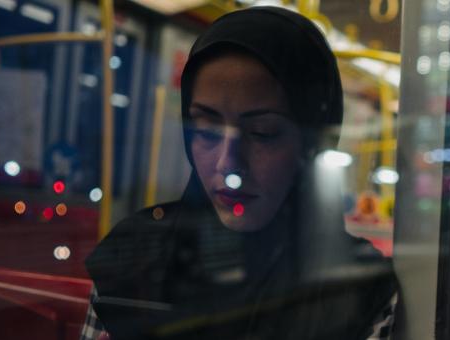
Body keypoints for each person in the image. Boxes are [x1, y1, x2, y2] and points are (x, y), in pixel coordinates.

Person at [81, 7, 398, 340]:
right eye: (206, 130)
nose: (228, 165)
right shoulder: (133, 257)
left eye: (262, 132)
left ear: (312, 144)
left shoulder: (363, 292)